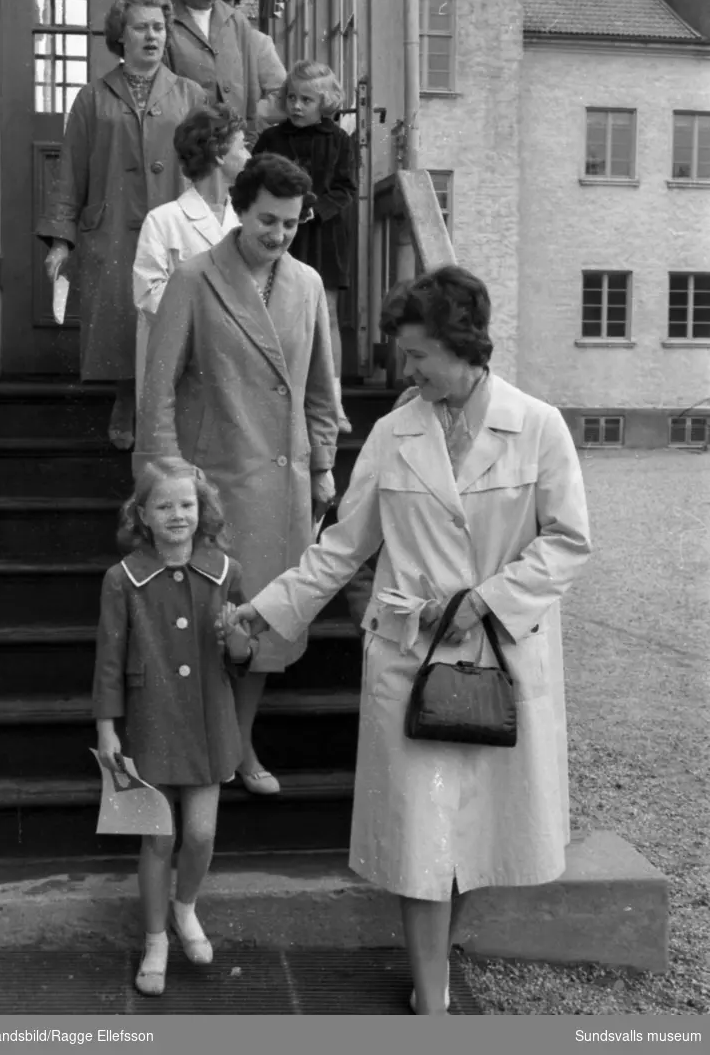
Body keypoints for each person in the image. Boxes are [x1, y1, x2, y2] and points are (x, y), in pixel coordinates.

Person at [230, 265, 592, 1014]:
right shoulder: (394, 435)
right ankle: (432, 1002)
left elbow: (567, 542)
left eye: (419, 352)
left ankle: (435, 975)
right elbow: (341, 546)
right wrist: (264, 611)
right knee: (420, 843)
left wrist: (484, 600)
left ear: (464, 345)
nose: (407, 367)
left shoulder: (537, 426)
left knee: (477, 839)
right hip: (407, 655)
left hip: (500, 660)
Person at [135, 153, 339, 796]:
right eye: (266, 221)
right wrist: (166, 481)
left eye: (289, 223)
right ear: (238, 211)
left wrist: (326, 465)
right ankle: (210, 748)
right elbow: (158, 388)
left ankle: (241, 745)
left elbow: (319, 389)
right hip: (213, 486)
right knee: (208, 626)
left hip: (285, 484)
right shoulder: (195, 279)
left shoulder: (307, 284)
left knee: (264, 625)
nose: (277, 235)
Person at [93, 456, 254, 996]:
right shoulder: (122, 579)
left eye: (186, 504)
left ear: (202, 508)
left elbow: (239, 655)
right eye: (163, 506)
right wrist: (107, 729)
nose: (177, 514)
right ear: (142, 514)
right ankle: (156, 939)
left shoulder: (226, 571)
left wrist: (237, 641)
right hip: (151, 721)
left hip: (211, 720)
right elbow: (109, 661)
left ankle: (186, 909)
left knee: (203, 833)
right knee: (158, 841)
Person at [38, 0, 206, 450]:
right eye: (140, 27)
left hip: (175, 223)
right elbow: (70, 170)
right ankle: (124, 398)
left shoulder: (191, 95)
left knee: (175, 312)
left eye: (159, 26)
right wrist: (60, 240)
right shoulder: (92, 98)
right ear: (121, 34)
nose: (151, 36)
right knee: (123, 316)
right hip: (112, 227)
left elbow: (210, 164)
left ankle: (170, 410)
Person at [254, 60, 357, 432]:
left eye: (307, 100)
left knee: (325, 315)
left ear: (326, 102)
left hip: (323, 235)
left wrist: (315, 212)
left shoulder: (340, 141)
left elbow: (345, 189)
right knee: (274, 309)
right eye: (292, 98)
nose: (297, 106)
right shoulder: (271, 140)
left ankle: (333, 403)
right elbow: (256, 184)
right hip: (280, 236)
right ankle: (275, 401)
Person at [132, 104, 249, 400]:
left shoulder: (247, 222)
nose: (249, 156)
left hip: (237, 359)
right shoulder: (164, 220)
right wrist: (209, 316)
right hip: (181, 360)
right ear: (220, 154)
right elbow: (147, 295)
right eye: (243, 146)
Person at [165, 0, 286, 143]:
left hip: (233, 151)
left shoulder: (237, 22)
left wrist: (247, 144)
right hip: (182, 152)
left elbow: (249, 95)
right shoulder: (162, 18)